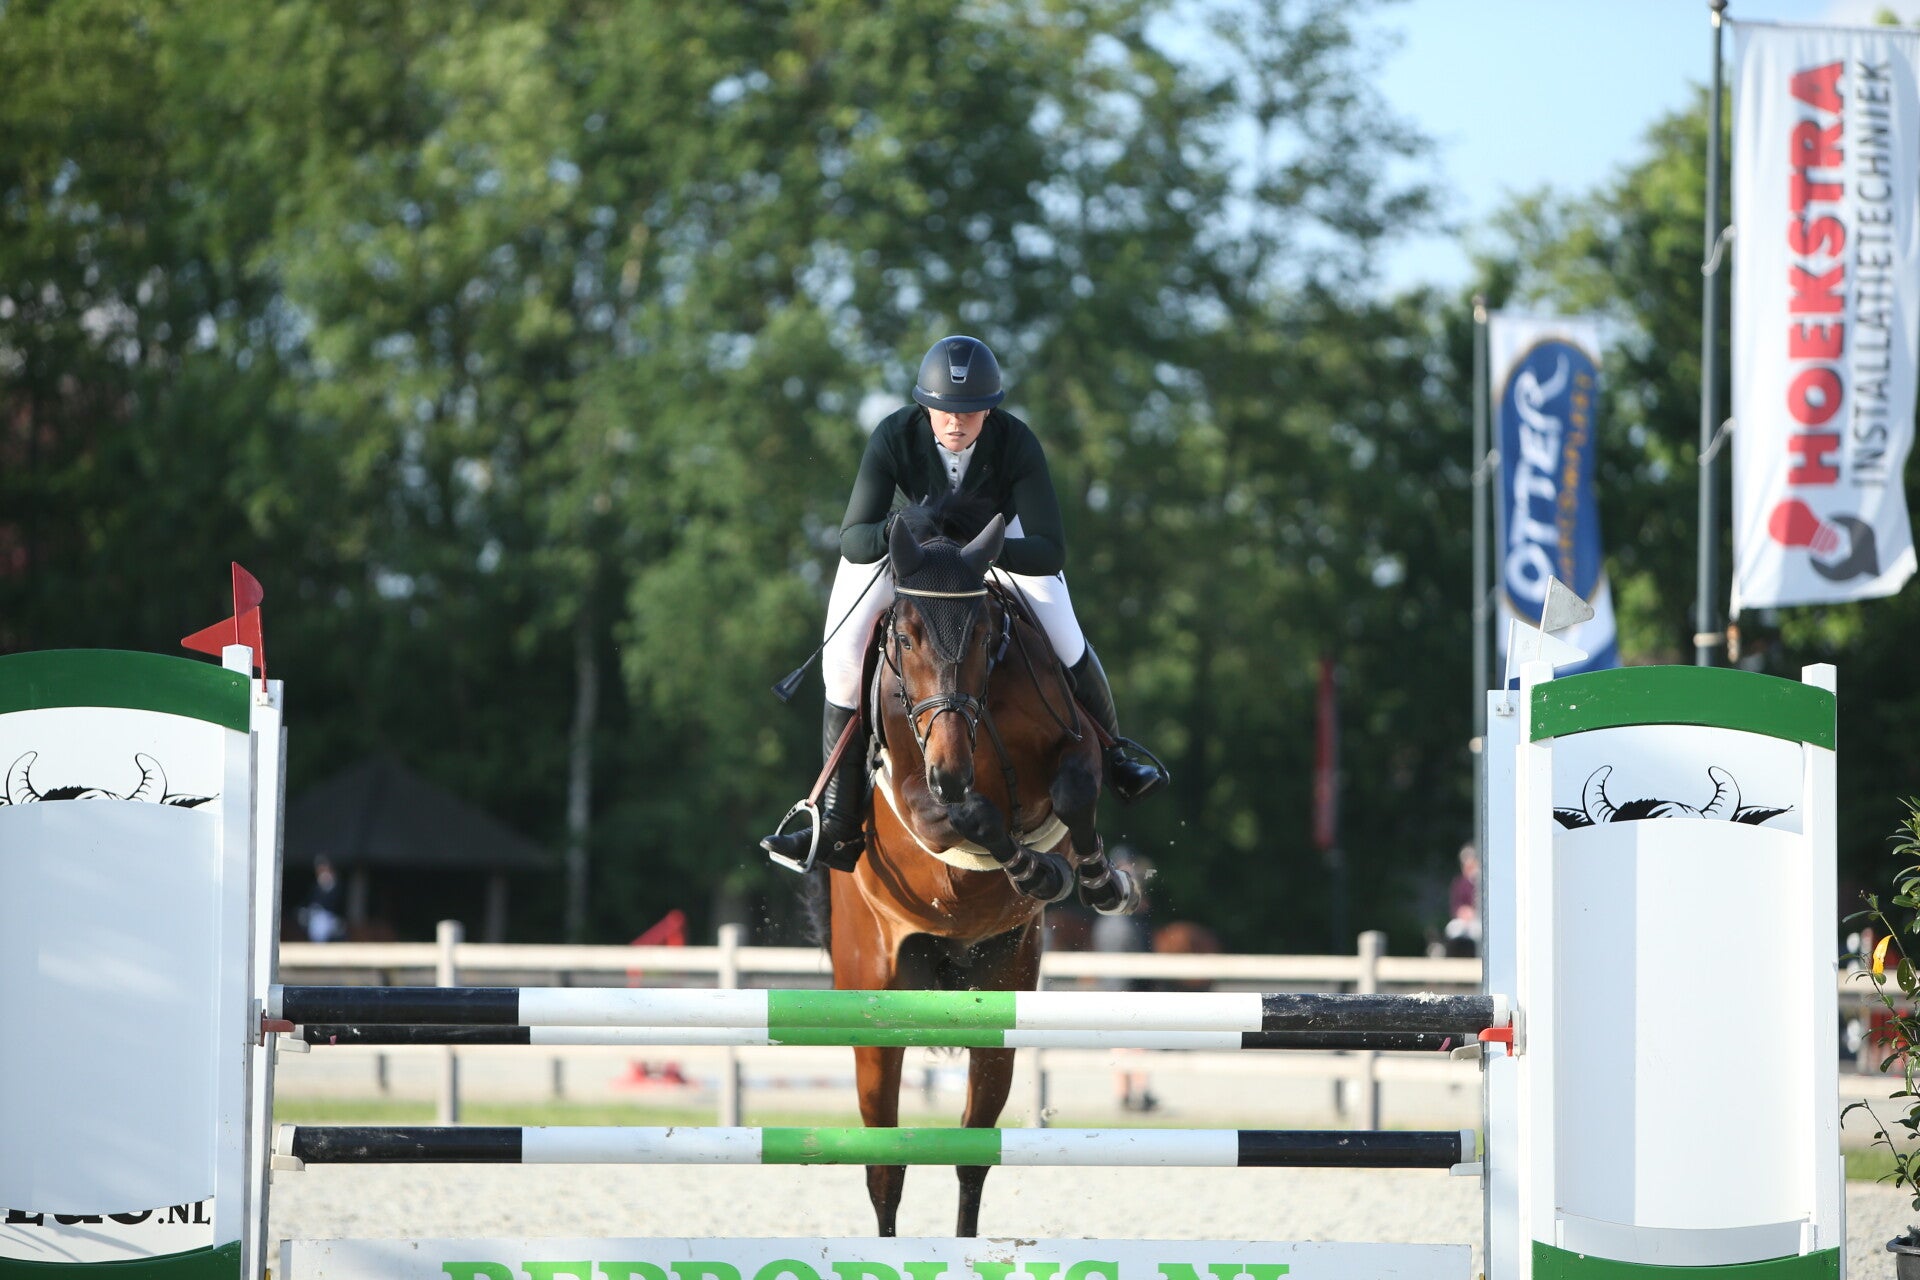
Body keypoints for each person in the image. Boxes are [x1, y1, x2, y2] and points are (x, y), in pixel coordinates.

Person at [760, 335, 1168, 871]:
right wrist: (903, 529)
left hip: (992, 546)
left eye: (971, 411)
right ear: (925, 407)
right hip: (913, 553)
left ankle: (1116, 758)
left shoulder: (1016, 442)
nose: (956, 421)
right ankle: (836, 822)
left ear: (989, 410)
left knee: (1065, 634)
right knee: (842, 655)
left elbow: (1050, 549)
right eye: (946, 410)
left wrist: (984, 549)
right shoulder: (894, 435)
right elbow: (854, 538)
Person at [1443, 842, 1481, 958]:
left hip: (1478, 920)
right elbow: (1455, 905)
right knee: (1453, 929)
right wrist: (1462, 912)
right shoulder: (1459, 883)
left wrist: (1474, 913)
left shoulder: (1481, 882)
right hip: (1462, 921)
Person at [301, 855, 346, 943]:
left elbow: (337, 903)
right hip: (315, 915)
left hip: (331, 916)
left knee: (323, 922)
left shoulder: (334, 883)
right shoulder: (316, 884)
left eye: (323, 867)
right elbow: (310, 901)